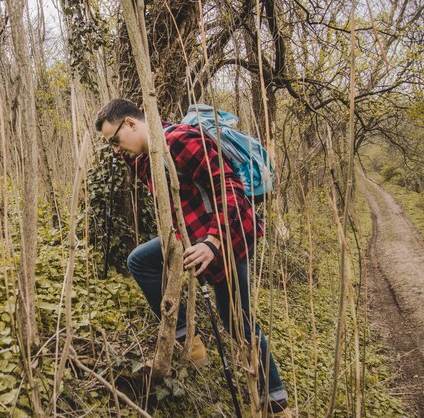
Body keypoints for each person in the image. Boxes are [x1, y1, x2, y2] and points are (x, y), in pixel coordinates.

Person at [95, 98, 289, 414]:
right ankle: (189, 342)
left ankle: (275, 400)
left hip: (225, 241)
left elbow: (230, 189)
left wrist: (213, 242)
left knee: (238, 320)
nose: (115, 149)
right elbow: (140, 162)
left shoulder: (179, 140)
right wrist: (127, 148)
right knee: (141, 261)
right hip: (193, 239)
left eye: (115, 140)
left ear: (131, 123)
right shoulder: (150, 157)